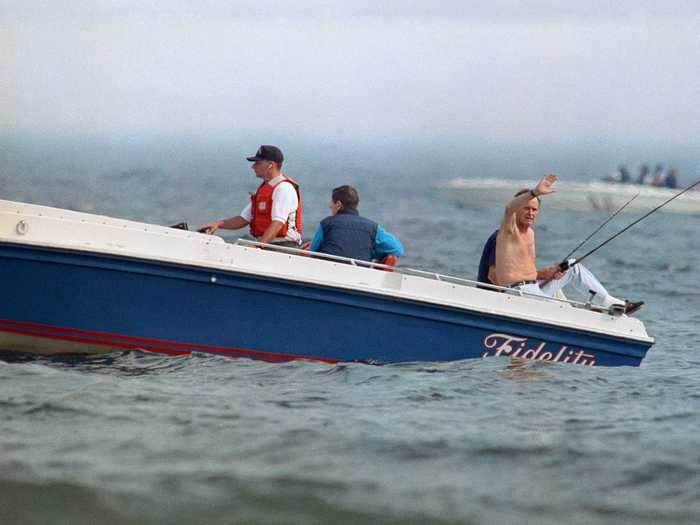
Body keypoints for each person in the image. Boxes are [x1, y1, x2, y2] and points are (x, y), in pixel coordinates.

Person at [477, 174, 643, 314]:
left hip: (533, 288)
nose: (530, 212)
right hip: (518, 293)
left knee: (571, 266)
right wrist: (535, 192)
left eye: (534, 210)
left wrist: (549, 273)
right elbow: (509, 209)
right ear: (518, 209)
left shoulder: (531, 234)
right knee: (566, 311)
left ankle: (611, 303)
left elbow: (524, 271)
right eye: (526, 208)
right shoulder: (507, 231)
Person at [198, 145, 302, 247]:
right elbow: (243, 219)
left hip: (283, 247)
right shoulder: (266, 189)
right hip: (267, 244)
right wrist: (218, 224)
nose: (253, 166)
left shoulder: (283, 188)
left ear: (270, 165)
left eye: (258, 163)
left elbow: (277, 223)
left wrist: (258, 247)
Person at [308, 185, 404, 262]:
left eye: (331, 203)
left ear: (338, 204)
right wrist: (372, 251)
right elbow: (398, 249)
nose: (330, 206)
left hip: (327, 274)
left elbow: (312, 253)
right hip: (359, 277)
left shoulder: (326, 224)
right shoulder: (373, 228)